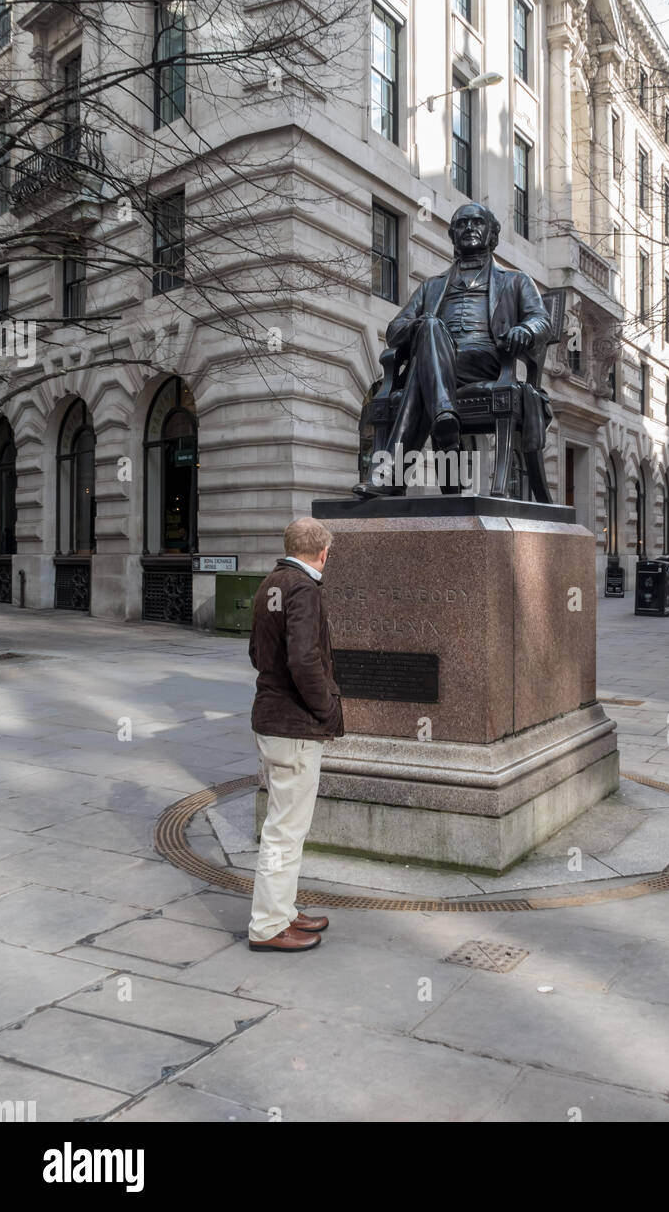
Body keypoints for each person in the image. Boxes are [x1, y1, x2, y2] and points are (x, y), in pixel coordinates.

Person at [353, 202, 552, 497]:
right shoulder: (431, 286)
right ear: (452, 235)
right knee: (430, 328)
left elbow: (541, 321)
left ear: (492, 234)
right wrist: (420, 327)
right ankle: (444, 415)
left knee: (423, 365)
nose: (469, 227)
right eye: (461, 223)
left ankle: (395, 473)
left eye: (477, 222)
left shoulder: (515, 280)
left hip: (484, 361)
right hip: (438, 364)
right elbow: (395, 331)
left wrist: (525, 330)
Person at [247, 517, 344, 954]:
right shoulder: (304, 588)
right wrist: (326, 708)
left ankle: (283, 911)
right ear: (323, 552)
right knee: (285, 830)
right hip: (294, 724)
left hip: (271, 717)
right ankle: (268, 925)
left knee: (285, 824)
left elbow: (256, 653)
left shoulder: (271, 582)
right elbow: (304, 660)